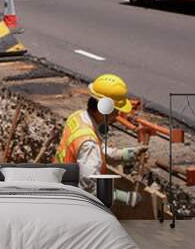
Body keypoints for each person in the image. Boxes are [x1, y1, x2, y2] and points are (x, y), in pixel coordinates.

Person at [54, 74, 148, 207]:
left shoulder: (78, 117)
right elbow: (88, 188)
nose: (117, 116)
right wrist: (121, 196)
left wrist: (124, 154)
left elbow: (94, 151)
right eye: (115, 112)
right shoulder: (88, 143)